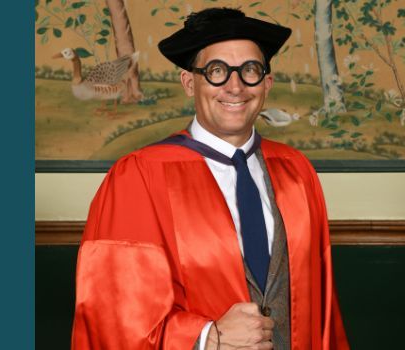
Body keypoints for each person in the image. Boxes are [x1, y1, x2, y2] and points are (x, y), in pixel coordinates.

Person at [71, 7, 349, 350]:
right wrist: (206, 337)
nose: (235, 87)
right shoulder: (138, 176)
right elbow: (111, 311)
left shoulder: (297, 171)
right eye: (217, 71)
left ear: (267, 83)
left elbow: (323, 313)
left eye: (250, 70)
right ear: (190, 83)